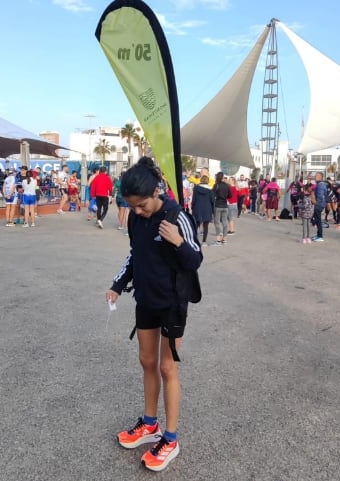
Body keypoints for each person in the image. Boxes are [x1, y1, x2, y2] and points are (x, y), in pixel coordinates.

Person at [105, 157, 202, 472]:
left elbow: (195, 259)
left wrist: (177, 241)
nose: (138, 212)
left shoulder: (177, 216)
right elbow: (135, 255)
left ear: (157, 190)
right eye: (133, 207)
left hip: (173, 302)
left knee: (166, 367)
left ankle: (170, 438)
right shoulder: (136, 219)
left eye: (143, 205)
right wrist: (118, 285)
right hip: (145, 300)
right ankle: (150, 424)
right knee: (146, 361)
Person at [191, 174, 214, 246]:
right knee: (205, 226)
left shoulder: (196, 188)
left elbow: (194, 199)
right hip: (207, 209)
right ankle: (204, 242)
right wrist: (213, 211)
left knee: (196, 225)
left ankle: (194, 240)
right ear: (207, 181)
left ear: (201, 180)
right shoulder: (210, 190)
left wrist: (192, 207)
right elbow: (212, 201)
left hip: (197, 208)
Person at [212, 171, 231, 245]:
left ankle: (218, 239)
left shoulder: (216, 185)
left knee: (217, 222)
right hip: (225, 206)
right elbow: (230, 195)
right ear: (223, 177)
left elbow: (212, 195)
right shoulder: (227, 185)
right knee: (225, 222)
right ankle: (224, 239)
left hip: (218, 205)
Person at [311, 172, 327, 242]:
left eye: (316, 176)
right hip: (320, 204)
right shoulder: (320, 184)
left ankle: (320, 236)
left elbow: (320, 196)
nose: (315, 177)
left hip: (319, 204)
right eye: (315, 176)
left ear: (320, 177)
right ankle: (318, 235)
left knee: (318, 220)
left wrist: (316, 202)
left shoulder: (320, 185)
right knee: (316, 219)